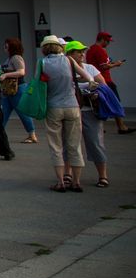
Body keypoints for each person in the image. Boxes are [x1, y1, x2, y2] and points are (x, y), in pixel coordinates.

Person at [39, 35, 91, 192]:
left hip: (53, 106)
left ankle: (61, 181)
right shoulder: (69, 61)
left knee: (56, 145)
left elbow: (38, 83)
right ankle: (76, 182)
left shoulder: (42, 63)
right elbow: (87, 77)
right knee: (74, 145)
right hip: (72, 106)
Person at [65, 40, 110, 189]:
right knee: (70, 145)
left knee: (95, 143)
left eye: (83, 52)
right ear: (70, 55)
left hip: (90, 111)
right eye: (79, 52)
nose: (82, 54)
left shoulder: (90, 68)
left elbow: (103, 85)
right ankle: (68, 174)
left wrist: (94, 93)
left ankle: (103, 176)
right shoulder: (65, 69)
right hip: (72, 111)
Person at [84, 31, 135, 134]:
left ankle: (103, 127)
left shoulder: (90, 49)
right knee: (115, 101)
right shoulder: (100, 50)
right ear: (102, 40)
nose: (108, 43)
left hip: (94, 79)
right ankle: (121, 127)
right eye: (107, 41)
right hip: (105, 80)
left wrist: (111, 63)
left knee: (100, 104)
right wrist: (116, 64)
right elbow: (103, 66)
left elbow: (98, 64)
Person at [0, 37, 38, 144]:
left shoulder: (16, 58)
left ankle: (32, 134)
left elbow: (21, 72)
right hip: (8, 90)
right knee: (3, 112)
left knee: (22, 112)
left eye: (7, 46)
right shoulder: (10, 58)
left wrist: (6, 74)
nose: (5, 48)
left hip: (18, 88)